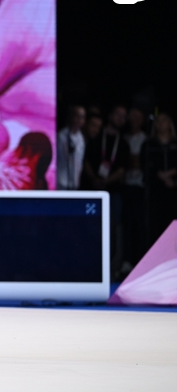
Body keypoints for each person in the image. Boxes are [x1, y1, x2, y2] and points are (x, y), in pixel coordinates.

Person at [83, 105, 130, 279]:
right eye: (118, 114)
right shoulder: (96, 138)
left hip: (113, 192)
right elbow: (86, 161)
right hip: (92, 190)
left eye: (124, 116)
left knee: (113, 229)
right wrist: (95, 179)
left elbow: (122, 170)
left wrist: (105, 182)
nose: (120, 118)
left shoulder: (123, 143)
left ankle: (111, 268)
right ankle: (89, 265)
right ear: (110, 115)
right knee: (90, 228)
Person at [142, 113, 177, 250]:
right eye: (158, 121)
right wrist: (160, 174)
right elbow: (145, 165)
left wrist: (171, 175)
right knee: (155, 225)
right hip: (155, 192)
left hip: (173, 190)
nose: (161, 124)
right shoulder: (149, 144)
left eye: (164, 121)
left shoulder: (175, 143)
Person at [122, 107, 148, 268]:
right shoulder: (124, 138)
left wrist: (132, 160)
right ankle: (126, 261)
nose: (135, 120)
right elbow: (125, 161)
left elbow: (140, 162)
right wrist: (131, 160)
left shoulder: (145, 138)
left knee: (140, 224)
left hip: (140, 187)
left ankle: (140, 262)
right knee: (126, 224)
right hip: (125, 185)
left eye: (139, 117)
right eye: (133, 117)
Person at [57, 105, 86, 190]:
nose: (80, 120)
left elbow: (80, 161)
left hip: (75, 182)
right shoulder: (62, 136)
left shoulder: (81, 138)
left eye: (82, 117)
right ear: (71, 117)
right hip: (61, 180)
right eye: (77, 116)